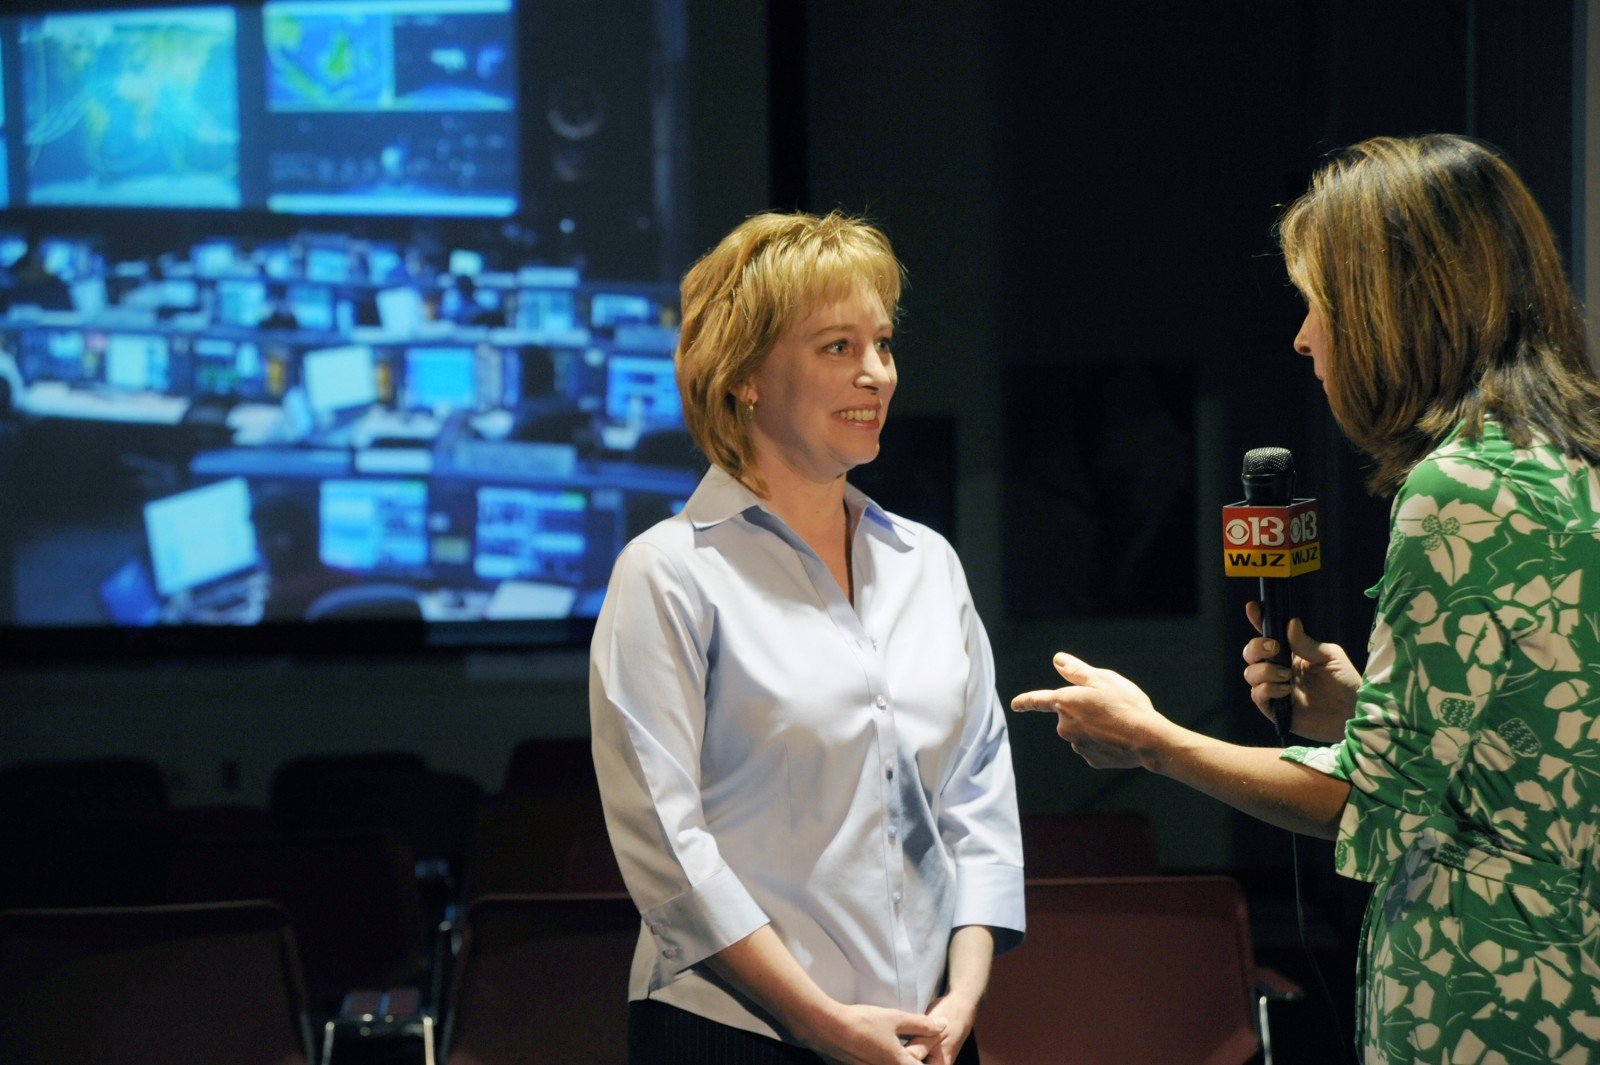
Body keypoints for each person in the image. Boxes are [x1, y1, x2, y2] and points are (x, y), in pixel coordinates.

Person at [1012, 133, 1600, 1064]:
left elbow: (1366, 800)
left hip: (1491, 1000)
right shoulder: (1565, 467)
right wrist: (1364, 710)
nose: (1303, 336)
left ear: (1391, 309)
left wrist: (1151, 741)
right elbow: (1529, 764)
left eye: (1316, 303)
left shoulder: (1462, 490)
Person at [590, 210, 1025, 1065]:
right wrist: (824, 1022)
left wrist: (962, 998)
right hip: (736, 1033)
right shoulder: (670, 572)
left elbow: (978, 801)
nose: (877, 375)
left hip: (927, 1036)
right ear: (746, 374)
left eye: (884, 344)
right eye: (836, 348)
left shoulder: (926, 564)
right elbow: (668, 852)